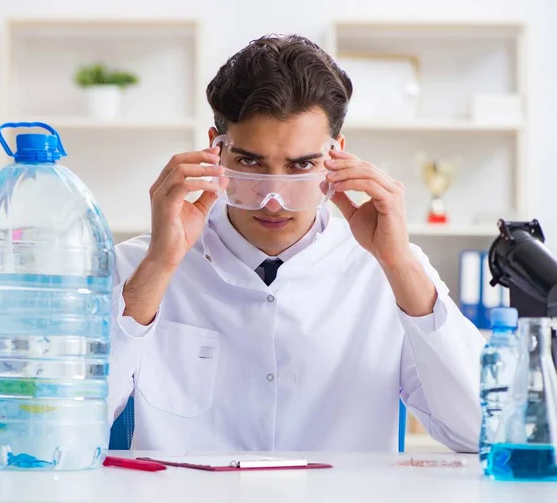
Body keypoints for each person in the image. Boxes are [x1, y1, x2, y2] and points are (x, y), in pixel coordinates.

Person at [108, 34, 485, 452]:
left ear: (337, 156)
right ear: (216, 151)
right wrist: (161, 265)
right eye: (251, 163)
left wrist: (398, 264)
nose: (274, 198)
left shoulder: (389, 270)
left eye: (301, 166)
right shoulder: (139, 265)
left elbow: (480, 434)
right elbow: (68, 429)